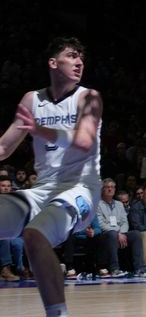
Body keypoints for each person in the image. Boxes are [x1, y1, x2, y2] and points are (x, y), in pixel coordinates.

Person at [0, 36, 103, 317]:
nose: (79, 62)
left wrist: (40, 130)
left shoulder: (89, 97)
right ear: (53, 63)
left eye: (81, 57)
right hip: (42, 190)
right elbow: (4, 147)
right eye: (71, 56)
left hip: (80, 189)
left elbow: (84, 140)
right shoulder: (32, 99)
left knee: (34, 235)